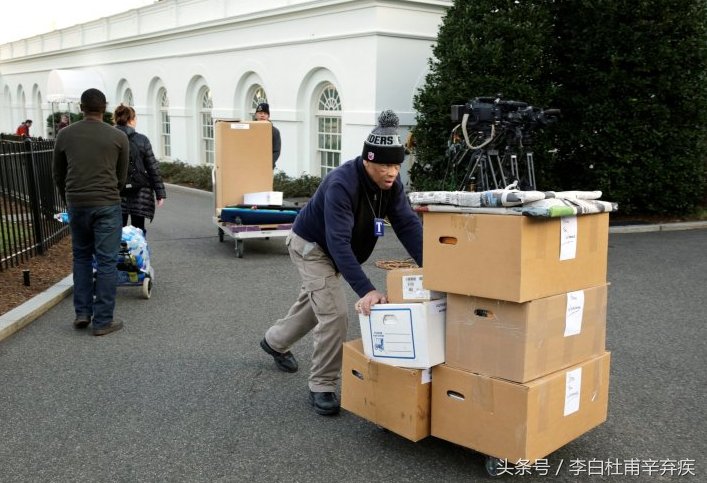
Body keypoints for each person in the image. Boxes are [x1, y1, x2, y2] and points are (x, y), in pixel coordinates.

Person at [259, 110, 423, 416]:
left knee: (317, 305)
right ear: (367, 160)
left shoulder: (393, 186)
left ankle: (274, 342)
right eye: (385, 164)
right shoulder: (342, 183)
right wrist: (366, 290)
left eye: (397, 165)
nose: (392, 172)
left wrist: (436, 268)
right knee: (334, 312)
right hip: (312, 247)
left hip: (339, 252)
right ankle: (322, 383)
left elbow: (408, 227)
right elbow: (337, 242)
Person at [52, 88, 129, 336]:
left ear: (81, 108)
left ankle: (82, 313)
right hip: (107, 203)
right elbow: (121, 175)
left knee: (82, 257)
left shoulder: (65, 135)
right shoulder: (118, 137)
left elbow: (58, 173)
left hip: (77, 202)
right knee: (107, 261)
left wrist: (70, 196)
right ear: (104, 108)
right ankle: (103, 321)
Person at [112, 104, 167, 235]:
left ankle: (119, 254)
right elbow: (152, 167)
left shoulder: (110, 138)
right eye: (135, 118)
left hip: (116, 190)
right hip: (140, 190)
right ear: (131, 120)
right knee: (138, 229)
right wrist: (160, 193)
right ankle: (137, 254)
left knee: (117, 231)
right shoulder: (142, 139)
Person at [254, 102, 281, 168]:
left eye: (265, 113)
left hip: (267, 167)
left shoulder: (274, 131)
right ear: (256, 115)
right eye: (260, 113)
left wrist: (267, 164)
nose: (262, 115)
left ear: (268, 116)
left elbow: (276, 151)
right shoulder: (249, 129)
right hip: (251, 165)